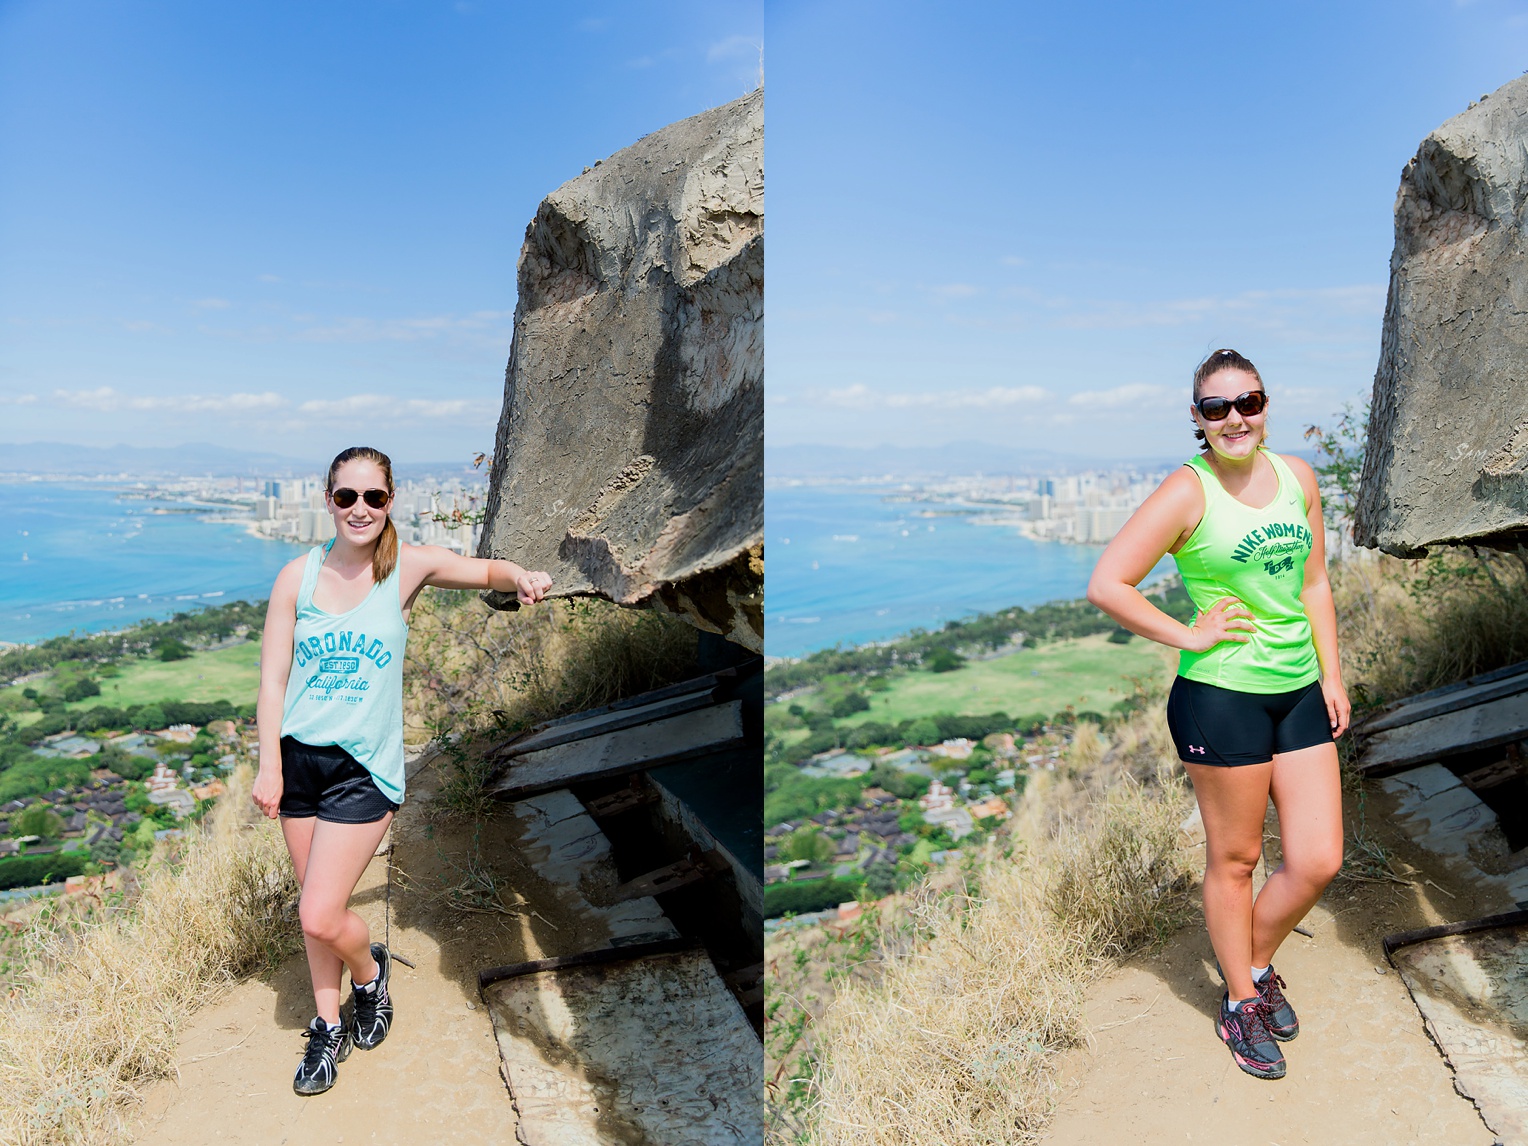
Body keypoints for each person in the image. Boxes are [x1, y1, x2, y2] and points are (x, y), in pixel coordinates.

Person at [252, 445, 552, 1096]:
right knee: (315, 909)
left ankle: (369, 975)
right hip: (301, 762)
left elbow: (482, 570)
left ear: (391, 502)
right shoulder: (294, 578)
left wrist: (522, 576)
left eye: (374, 498)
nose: (360, 509)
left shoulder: (405, 569)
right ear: (327, 500)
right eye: (346, 497)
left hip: (365, 768)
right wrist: (268, 766)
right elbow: (273, 681)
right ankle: (327, 1025)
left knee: (318, 915)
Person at [1086, 348, 1349, 1081]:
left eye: (1249, 402)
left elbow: (1316, 583)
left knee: (1318, 857)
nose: (1236, 418)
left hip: (1298, 687)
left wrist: (1333, 673)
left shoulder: (1298, 477)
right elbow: (1109, 583)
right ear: (1197, 419)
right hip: (1222, 695)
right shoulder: (1187, 491)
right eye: (1217, 407)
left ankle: (1254, 965)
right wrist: (1190, 634)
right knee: (1235, 860)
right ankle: (1240, 1000)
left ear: (1265, 405)